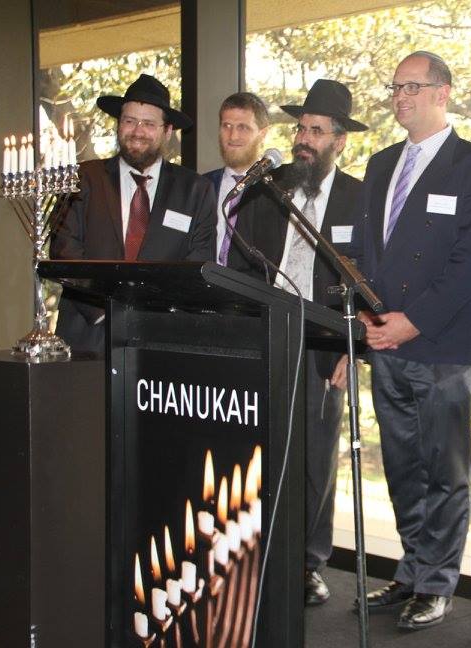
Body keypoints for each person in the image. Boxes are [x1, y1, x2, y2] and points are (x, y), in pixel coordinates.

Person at [349, 50, 471, 630]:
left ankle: (437, 583)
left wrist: (412, 322)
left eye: (412, 87)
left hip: (438, 346)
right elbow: (366, 251)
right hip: (384, 343)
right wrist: (370, 317)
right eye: (396, 87)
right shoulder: (381, 163)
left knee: (445, 472)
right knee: (402, 468)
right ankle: (411, 571)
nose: (400, 97)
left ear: (443, 92)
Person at [227, 79, 366, 606]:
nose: (304, 139)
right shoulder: (268, 186)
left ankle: (308, 563)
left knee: (316, 460)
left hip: (324, 344)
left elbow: (368, 277)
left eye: (317, 131)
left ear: (339, 141)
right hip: (268, 334)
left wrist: (353, 349)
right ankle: (259, 553)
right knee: (258, 452)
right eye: (301, 128)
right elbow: (241, 262)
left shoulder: (359, 197)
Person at [51, 73, 216, 353]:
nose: (137, 131)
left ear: (167, 131)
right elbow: (64, 248)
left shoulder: (195, 190)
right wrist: (103, 308)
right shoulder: (83, 178)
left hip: (160, 339)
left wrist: (148, 317)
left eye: (149, 123)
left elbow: (197, 263)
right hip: (88, 335)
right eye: (129, 121)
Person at [204, 91, 269, 267]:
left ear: (263, 133)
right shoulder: (202, 186)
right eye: (226, 126)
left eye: (243, 127)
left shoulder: (274, 191)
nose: (232, 136)